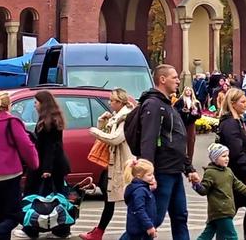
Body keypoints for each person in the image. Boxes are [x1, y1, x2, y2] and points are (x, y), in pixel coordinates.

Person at [138, 65, 200, 240]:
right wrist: (148, 172)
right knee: (153, 219)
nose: (178, 80)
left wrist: (189, 169)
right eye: (174, 77)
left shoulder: (168, 104)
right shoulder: (154, 104)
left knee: (180, 216)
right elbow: (148, 140)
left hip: (175, 171)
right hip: (162, 171)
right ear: (162, 79)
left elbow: (177, 142)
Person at [0, 92, 39, 240]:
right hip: (9, 172)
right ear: (8, 106)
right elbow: (26, 146)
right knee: (15, 215)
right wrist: (34, 164)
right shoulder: (11, 121)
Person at [17, 90, 71, 239]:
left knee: (33, 196)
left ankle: (31, 229)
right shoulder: (53, 119)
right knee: (57, 197)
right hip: (55, 165)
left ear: (43, 104)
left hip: (46, 166)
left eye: (36, 102)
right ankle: (61, 229)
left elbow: (50, 147)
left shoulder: (48, 122)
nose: (34, 105)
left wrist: (46, 169)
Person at [81, 89, 134, 240]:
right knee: (109, 196)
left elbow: (115, 138)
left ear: (119, 102)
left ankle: (136, 229)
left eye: (111, 101)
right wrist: (101, 123)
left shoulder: (125, 117)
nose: (109, 103)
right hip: (112, 163)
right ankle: (99, 231)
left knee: (128, 197)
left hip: (123, 163)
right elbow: (108, 132)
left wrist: (95, 131)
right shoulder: (117, 116)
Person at [217, 88, 246, 240]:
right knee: (243, 205)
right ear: (233, 104)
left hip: (237, 172)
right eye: (242, 102)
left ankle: (244, 236)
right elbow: (236, 151)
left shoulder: (237, 121)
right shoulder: (230, 124)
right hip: (237, 173)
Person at [193, 144, 246, 240]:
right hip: (221, 210)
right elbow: (204, 190)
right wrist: (196, 185)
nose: (227, 159)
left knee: (208, 234)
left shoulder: (228, 171)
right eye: (223, 156)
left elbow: (238, 185)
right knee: (232, 236)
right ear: (215, 158)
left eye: (227, 156)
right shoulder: (210, 173)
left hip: (225, 210)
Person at [123, 159, 157, 240]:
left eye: (152, 174)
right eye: (149, 175)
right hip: (140, 229)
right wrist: (149, 226)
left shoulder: (142, 189)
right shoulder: (140, 191)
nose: (152, 177)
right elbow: (140, 210)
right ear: (139, 176)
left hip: (140, 228)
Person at [174, 86, 202, 159]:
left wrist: (195, 115)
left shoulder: (196, 102)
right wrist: (182, 111)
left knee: (191, 142)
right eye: (186, 90)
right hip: (182, 124)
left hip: (191, 124)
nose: (188, 92)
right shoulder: (180, 101)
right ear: (184, 91)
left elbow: (199, 114)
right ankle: (181, 159)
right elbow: (174, 111)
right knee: (181, 141)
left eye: (190, 90)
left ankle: (189, 160)